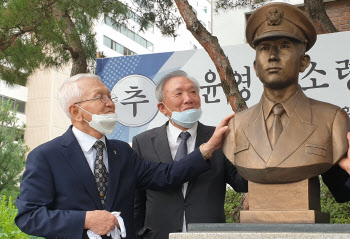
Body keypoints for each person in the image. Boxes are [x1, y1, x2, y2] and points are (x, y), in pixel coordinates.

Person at [15, 73, 233, 239]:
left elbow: (166, 175)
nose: (110, 103)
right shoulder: (46, 156)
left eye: (110, 96)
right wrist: (85, 220)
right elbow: (29, 217)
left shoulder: (122, 152)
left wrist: (206, 149)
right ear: (76, 112)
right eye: (99, 97)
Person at [223, 2, 350, 185]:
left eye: (284, 46)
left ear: (304, 63)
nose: (272, 56)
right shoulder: (236, 126)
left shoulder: (333, 120)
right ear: (255, 67)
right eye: (264, 48)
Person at [133, 70, 248, 239]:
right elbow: (137, 200)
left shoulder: (220, 137)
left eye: (193, 92)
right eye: (178, 93)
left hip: (209, 235)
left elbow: (241, 183)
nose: (188, 99)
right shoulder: (143, 142)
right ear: (162, 108)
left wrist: (248, 146)